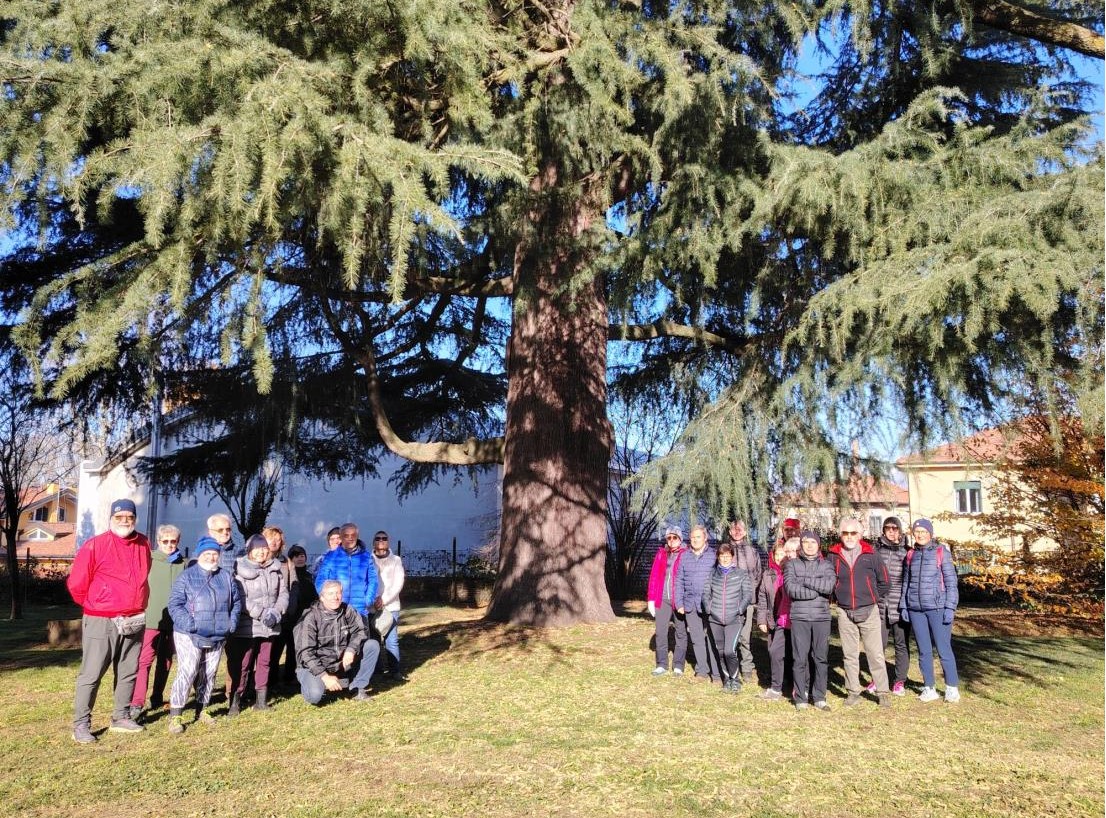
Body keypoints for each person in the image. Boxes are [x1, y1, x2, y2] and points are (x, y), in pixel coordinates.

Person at [67, 499, 153, 743]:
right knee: (92, 673)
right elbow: (77, 584)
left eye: (129, 517)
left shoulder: (144, 543)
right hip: (101, 619)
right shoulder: (95, 545)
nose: (125, 521)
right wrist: (97, 604)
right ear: (111, 518)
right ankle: (81, 724)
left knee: (128, 671)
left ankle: (121, 716)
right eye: (120, 516)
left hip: (134, 617)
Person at [165, 538, 242, 734]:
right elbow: (175, 604)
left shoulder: (226, 577)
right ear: (199, 554)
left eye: (215, 553)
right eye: (207, 553)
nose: (211, 556)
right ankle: (176, 715)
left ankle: (203, 709)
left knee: (209, 673)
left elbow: (236, 603)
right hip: (189, 634)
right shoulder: (187, 576)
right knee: (188, 670)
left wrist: (231, 624)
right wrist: (191, 624)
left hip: (218, 634)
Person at [830, 516, 891, 708]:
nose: (849, 536)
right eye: (845, 533)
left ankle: (882, 692)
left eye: (853, 533)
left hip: (869, 611)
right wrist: (838, 598)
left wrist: (872, 598)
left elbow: (884, 582)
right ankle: (853, 691)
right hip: (844, 611)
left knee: (875, 653)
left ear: (860, 534)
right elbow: (830, 581)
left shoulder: (871, 554)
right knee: (849, 655)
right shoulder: (832, 555)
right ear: (840, 534)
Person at [226, 534, 289, 714]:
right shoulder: (240, 570)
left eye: (264, 548)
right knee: (244, 664)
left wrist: (276, 613)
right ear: (249, 550)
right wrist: (262, 614)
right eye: (257, 548)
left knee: (265, 662)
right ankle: (235, 701)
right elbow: (241, 598)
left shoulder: (276, 569)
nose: (261, 552)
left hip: (270, 625)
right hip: (248, 626)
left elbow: (284, 593)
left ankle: (261, 701)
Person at [901, 518, 961, 703]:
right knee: (924, 651)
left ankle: (951, 688)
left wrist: (950, 607)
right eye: (916, 532)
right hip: (916, 609)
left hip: (937, 608)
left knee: (944, 649)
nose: (920, 535)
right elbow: (906, 583)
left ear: (930, 534)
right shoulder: (910, 555)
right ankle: (929, 687)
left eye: (923, 532)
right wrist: (904, 605)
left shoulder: (941, 552)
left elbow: (951, 583)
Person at [129, 523, 185, 721]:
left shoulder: (182, 564)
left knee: (166, 660)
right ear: (159, 542)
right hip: (151, 619)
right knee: (144, 661)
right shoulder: (149, 560)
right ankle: (137, 702)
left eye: (173, 541)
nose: (170, 545)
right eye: (166, 541)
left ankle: (157, 696)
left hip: (174, 621)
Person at [295, 580, 382, 703]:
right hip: (314, 666)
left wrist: (351, 649)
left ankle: (357, 687)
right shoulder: (311, 617)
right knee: (315, 697)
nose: (335, 597)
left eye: (338, 593)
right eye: (330, 593)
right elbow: (306, 653)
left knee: (372, 645)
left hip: (340, 663)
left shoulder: (348, 611)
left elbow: (361, 631)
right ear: (322, 597)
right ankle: (312, 684)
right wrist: (324, 677)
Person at [784, 529, 835, 712]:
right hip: (800, 617)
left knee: (820, 657)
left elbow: (829, 587)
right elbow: (791, 589)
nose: (810, 546)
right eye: (806, 543)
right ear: (801, 545)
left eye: (813, 543)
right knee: (800, 658)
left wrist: (806, 582)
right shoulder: (792, 565)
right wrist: (816, 589)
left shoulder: (827, 565)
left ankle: (819, 696)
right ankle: (801, 696)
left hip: (821, 617)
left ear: (818, 545)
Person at [700, 542, 754, 692]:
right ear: (718, 557)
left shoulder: (741, 574)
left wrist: (739, 609)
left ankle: (735, 679)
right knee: (721, 651)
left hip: (734, 619)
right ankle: (727, 680)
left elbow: (748, 594)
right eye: (722, 556)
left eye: (727, 556)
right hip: (715, 618)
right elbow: (706, 593)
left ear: (732, 557)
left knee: (730, 650)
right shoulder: (712, 573)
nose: (725, 559)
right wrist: (709, 608)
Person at [869, 516, 910, 696]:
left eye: (895, 528)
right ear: (884, 530)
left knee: (901, 645)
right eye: (888, 528)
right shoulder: (875, 550)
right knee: (878, 646)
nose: (891, 531)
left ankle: (899, 681)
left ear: (900, 531)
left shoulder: (907, 552)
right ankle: (876, 679)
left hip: (900, 606)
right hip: (879, 606)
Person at [674, 524, 718, 683]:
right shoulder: (684, 556)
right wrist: (678, 602)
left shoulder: (713, 556)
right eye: (692, 537)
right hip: (690, 603)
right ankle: (702, 671)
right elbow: (678, 579)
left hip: (709, 604)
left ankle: (717, 673)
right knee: (697, 638)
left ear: (705, 538)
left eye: (698, 537)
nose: (695, 540)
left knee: (712, 638)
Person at [314, 522, 380, 627]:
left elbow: (373, 580)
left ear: (357, 536)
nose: (350, 538)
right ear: (341, 537)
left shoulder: (366, 557)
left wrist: (367, 600)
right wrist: (327, 600)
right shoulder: (331, 557)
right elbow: (321, 580)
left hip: (360, 611)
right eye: (346, 535)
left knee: (361, 642)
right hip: (336, 610)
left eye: (353, 535)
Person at [756, 537, 798, 701]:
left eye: (788, 552)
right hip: (780, 618)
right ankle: (776, 687)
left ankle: (798, 687)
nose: (784, 556)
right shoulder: (771, 574)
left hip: (797, 619)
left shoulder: (797, 569)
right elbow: (763, 597)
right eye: (781, 553)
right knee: (775, 651)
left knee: (797, 654)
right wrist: (762, 619)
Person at [646, 526, 688, 676]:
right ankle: (662, 664)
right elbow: (654, 577)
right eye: (668, 538)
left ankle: (678, 665)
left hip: (679, 599)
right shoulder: (661, 554)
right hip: (662, 599)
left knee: (681, 632)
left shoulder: (686, 554)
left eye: (674, 537)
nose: (671, 541)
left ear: (680, 539)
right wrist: (651, 598)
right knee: (661, 631)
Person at [262, 525, 299, 690]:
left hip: (284, 613)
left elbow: (294, 585)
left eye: (278, 539)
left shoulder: (286, 562)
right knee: (265, 652)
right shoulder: (260, 560)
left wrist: (290, 608)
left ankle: (277, 680)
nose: (275, 542)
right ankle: (264, 682)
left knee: (278, 648)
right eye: (271, 538)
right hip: (263, 612)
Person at [728, 519, 764, 683]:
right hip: (728, 601)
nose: (737, 531)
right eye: (734, 529)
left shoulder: (752, 551)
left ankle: (747, 668)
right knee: (730, 636)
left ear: (745, 532)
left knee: (745, 637)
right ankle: (730, 667)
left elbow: (757, 575)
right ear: (729, 531)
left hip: (747, 601)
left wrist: (748, 593)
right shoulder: (725, 550)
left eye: (740, 529)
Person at [372, 530, 407, 681]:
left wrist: (384, 600)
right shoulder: (368, 559)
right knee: (373, 641)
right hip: (371, 606)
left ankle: (395, 670)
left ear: (388, 541)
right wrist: (374, 599)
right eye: (378, 538)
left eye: (384, 538)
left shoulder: (396, 560)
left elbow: (398, 583)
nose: (381, 541)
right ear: (373, 542)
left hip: (391, 606)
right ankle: (377, 670)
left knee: (391, 640)